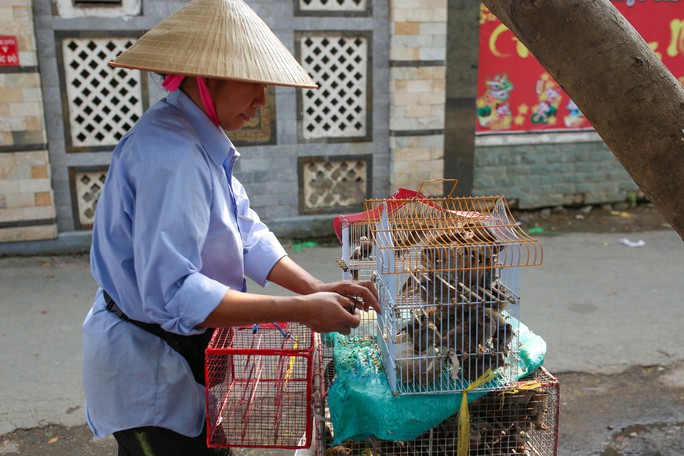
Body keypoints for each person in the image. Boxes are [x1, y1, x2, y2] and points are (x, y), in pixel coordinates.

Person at [81, 0, 380, 454]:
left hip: (184, 358)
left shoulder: (196, 139)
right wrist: (301, 310)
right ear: (207, 79)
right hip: (149, 371)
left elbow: (244, 232)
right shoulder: (173, 155)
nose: (261, 101)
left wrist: (314, 287)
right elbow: (175, 293)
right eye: (253, 85)